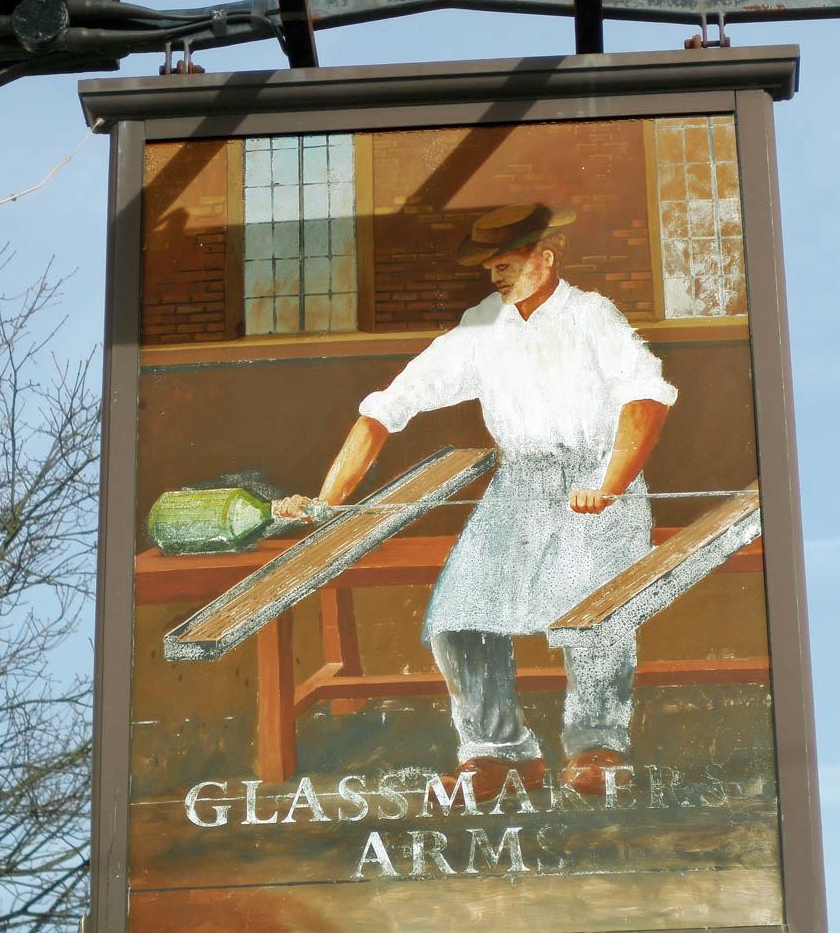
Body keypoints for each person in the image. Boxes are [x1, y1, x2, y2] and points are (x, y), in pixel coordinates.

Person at [277, 203, 678, 801]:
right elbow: (389, 405)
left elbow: (646, 400)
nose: (498, 275)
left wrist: (610, 485)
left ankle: (598, 745)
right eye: (491, 266)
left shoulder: (593, 316)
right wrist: (327, 500)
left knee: (593, 609)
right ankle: (499, 753)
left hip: (595, 478)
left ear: (545, 259)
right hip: (518, 482)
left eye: (509, 263)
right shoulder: (479, 327)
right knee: (460, 616)